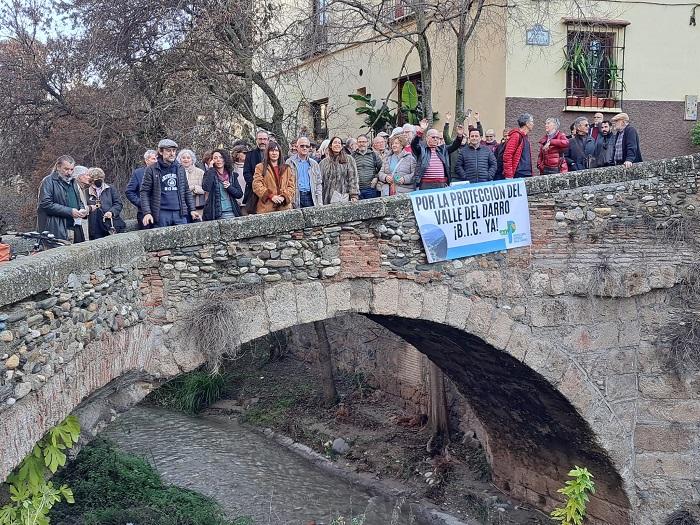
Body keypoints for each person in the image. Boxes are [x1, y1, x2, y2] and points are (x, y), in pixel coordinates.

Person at [140, 138, 198, 228]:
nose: (172, 153)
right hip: (161, 214)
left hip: (180, 213)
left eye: (174, 151)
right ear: (160, 151)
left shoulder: (180, 168)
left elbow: (186, 190)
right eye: (168, 151)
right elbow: (144, 192)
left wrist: (192, 209)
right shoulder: (151, 169)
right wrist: (147, 212)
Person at [37, 155, 90, 243]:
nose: (69, 172)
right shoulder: (48, 181)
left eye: (71, 169)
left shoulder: (73, 182)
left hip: (74, 227)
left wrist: (82, 209)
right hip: (56, 230)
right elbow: (45, 204)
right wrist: (70, 211)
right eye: (66, 169)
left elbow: (78, 201)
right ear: (58, 167)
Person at [411, 118, 464, 189]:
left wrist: (459, 136)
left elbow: (455, 146)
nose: (436, 139)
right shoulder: (422, 150)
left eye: (437, 137)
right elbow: (414, 144)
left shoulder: (443, 149)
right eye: (433, 137)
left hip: (441, 184)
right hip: (425, 184)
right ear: (427, 138)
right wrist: (421, 131)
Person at [252, 141, 296, 213]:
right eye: (272, 150)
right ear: (267, 152)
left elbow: (291, 187)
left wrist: (284, 197)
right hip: (266, 208)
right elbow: (256, 185)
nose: (274, 153)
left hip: (284, 207)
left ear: (279, 153)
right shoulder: (260, 167)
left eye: (276, 151)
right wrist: (271, 196)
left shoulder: (287, 168)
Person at [202, 149, 243, 220]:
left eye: (221, 157)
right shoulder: (209, 174)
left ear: (225, 159)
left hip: (232, 211)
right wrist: (211, 169)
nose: (218, 160)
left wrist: (230, 187)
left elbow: (239, 194)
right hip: (216, 213)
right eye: (215, 158)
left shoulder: (232, 175)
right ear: (212, 161)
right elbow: (206, 187)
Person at [85, 167, 125, 238]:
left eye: (100, 178)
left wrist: (111, 212)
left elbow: (118, 203)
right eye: (96, 179)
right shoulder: (86, 192)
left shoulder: (110, 188)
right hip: (95, 227)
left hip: (111, 224)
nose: (98, 181)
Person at [319, 136, 359, 204]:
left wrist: (354, 195)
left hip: (344, 196)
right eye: (335, 143)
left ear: (341, 146)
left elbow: (353, 178)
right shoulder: (323, 163)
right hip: (327, 197)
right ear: (331, 146)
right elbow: (319, 182)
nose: (337, 144)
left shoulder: (349, 159)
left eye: (339, 143)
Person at [287, 136, 323, 208]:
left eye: (307, 146)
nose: (304, 148)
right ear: (297, 147)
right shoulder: (289, 162)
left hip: (310, 197)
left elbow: (318, 183)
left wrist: (319, 201)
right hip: (296, 197)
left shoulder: (314, 164)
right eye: (302, 146)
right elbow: (286, 183)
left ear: (309, 148)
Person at [125, 150, 157, 229]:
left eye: (157, 158)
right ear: (146, 160)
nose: (156, 161)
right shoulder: (138, 173)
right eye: (153, 159)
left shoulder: (162, 172)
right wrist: (141, 203)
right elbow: (129, 191)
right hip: (144, 212)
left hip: (161, 212)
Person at [243, 130, 269, 211]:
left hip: (272, 192)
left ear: (268, 140)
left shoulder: (274, 154)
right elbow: (246, 174)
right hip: (254, 193)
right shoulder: (250, 155)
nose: (262, 141)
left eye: (264, 139)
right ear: (256, 140)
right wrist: (257, 186)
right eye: (260, 139)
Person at [503, 113, 535, 179]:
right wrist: (509, 176)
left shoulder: (525, 137)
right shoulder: (516, 136)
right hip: (518, 174)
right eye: (532, 121)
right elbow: (507, 155)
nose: (533, 124)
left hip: (527, 174)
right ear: (527, 123)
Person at [352, 134, 383, 200]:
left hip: (371, 188)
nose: (361, 144)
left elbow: (382, 169)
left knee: (372, 209)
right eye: (360, 142)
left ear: (368, 143)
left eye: (364, 142)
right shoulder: (353, 156)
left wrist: (376, 177)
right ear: (357, 143)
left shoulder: (374, 155)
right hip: (357, 189)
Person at [178, 149, 205, 219]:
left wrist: (194, 188)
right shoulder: (176, 172)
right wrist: (192, 188)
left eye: (188, 158)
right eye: (183, 158)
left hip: (198, 206)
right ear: (180, 160)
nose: (186, 160)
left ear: (192, 159)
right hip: (181, 206)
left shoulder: (200, 172)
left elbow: (204, 189)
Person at [232, 145, 248, 211]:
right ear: (237, 154)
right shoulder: (231, 168)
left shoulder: (252, 167)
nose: (247, 155)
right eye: (244, 153)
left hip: (248, 202)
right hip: (235, 202)